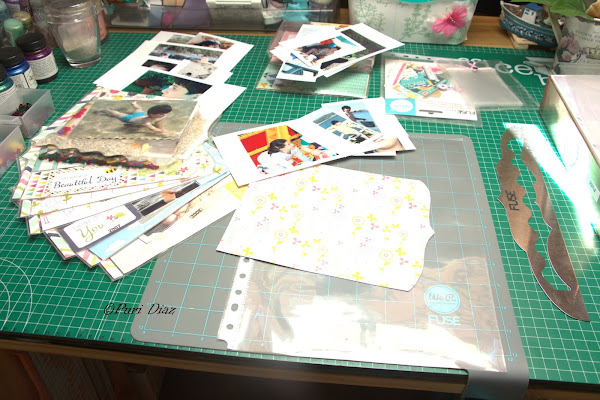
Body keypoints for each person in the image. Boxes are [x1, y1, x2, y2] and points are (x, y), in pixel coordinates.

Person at [101, 101, 172, 134]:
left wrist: (162, 128)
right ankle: (107, 110)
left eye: (166, 113)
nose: (164, 115)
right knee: (117, 114)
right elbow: (153, 129)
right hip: (129, 118)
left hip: (140, 115)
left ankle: (134, 103)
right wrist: (163, 131)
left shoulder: (160, 116)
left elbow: (159, 122)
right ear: (152, 114)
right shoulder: (146, 121)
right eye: (162, 114)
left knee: (138, 108)